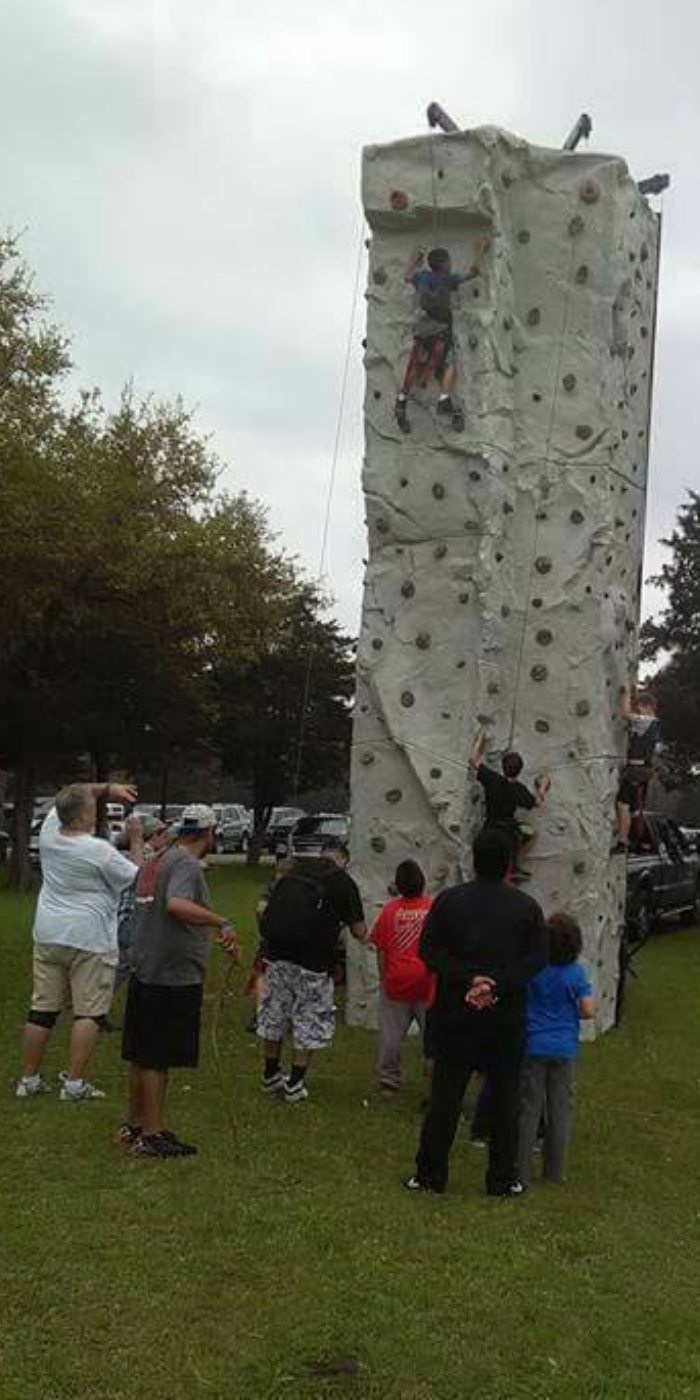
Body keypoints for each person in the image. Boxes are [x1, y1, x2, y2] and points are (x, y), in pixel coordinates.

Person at [404, 830, 547, 1197]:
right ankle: (502, 1178)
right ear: (508, 865)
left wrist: (470, 979)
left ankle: (430, 1174)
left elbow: (429, 951)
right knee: (504, 1100)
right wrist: (495, 984)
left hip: (456, 1013)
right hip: (504, 1018)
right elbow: (534, 959)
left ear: (473, 860)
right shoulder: (526, 908)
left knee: (445, 1099)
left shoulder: (449, 901)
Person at [118, 803, 239, 1158]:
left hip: (146, 967)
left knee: (141, 1054)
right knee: (158, 1056)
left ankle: (135, 1125)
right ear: (209, 833)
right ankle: (153, 1136)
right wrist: (222, 922)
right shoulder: (184, 863)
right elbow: (177, 905)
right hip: (171, 974)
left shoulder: (159, 858)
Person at [16, 781, 142, 1101]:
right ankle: (73, 1085)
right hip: (90, 937)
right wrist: (137, 838)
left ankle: (29, 1079)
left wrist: (108, 788)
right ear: (82, 817)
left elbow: (74, 790)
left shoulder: (49, 831)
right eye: (91, 808)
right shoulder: (97, 850)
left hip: (48, 933)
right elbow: (135, 874)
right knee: (89, 1013)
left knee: (41, 1009)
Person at [257, 839, 366, 1104]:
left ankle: (270, 1074)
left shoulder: (294, 872)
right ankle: (295, 1082)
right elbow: (359, 931)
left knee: (276, 1013)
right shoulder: (343, 882)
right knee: (308, 1017)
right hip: (313, 962)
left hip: (278, 955)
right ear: (343, 860)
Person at [517, 912, 595, 1187]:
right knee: (559, 1110)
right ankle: (554, 1171)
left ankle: (521, 1171)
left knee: (529, 1109)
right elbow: (587, 1010)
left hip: (533, 1044)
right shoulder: (576, 973)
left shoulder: (534, 969)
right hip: (563, 1048)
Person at [394, 239, 488, 435]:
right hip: (440, 332)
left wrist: (414, 257)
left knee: (415, 364)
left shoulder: (421, 277)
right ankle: (444, 399)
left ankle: (402, 400)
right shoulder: (448, 278)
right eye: (449, 261)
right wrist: (479, 251)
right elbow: (472, 273)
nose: (451, 264)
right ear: (444, 264)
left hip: (422, 331)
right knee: (450, 363)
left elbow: (406, 276)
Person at [370, 860, 433, 1095]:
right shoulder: (433, 908)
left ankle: (389, 1078)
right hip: (427, 981)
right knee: (432, 1034)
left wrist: (383, 978)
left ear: (398, 885)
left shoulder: (389, 911)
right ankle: (433, 1073)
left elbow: (381, 947)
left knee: (391, 1035)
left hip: (396, 980)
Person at [470, 729, 550, 878]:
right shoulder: (519, 791)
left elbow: (474, 760)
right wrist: (543, 786)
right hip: (509, 829)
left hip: (490, 825)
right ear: (520, 771)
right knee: (532, 833)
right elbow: (538, 802)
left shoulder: (492, 779)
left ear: (502, 766)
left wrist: (480, 738)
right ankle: (514, 864)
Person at [114, 814, 169, 995]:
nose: (166, 841)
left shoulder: (128, 852)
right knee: (123, 966)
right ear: (154, 835)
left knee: (125, 965)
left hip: (123, 917)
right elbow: (140, 875)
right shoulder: (145, 853)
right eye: (164, 835)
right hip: (132, 918)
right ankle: (91, 1008)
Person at [614, 685, 661, 853]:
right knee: (634, 807)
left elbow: (625, 715)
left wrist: (625, 695)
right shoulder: (655, 724)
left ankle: (622, 841)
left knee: (622, 804)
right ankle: (628, 836)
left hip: (636, 770)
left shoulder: (645, 721)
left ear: (647, 707)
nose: (637, 712)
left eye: (639, 708)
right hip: (643, 771)